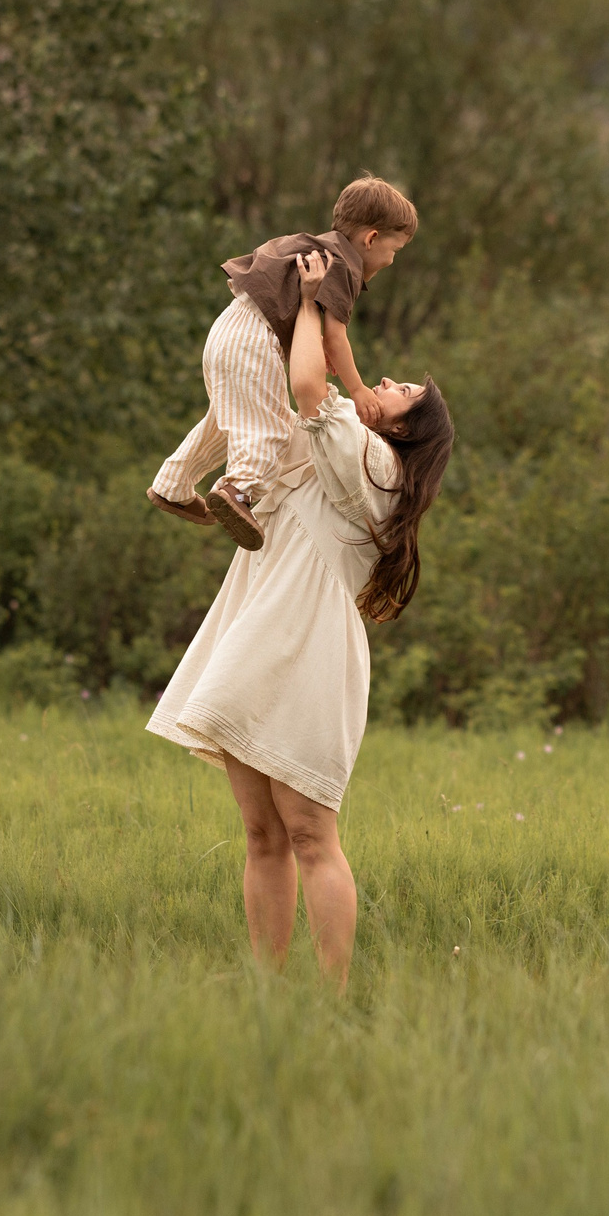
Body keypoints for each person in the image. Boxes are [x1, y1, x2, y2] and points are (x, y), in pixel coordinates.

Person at [148, 249, 457, 988]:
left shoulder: (375, 468)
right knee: (261, 834)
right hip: (260, 635)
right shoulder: (335, 440)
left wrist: (320, 300)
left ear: (409, 430)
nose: (385, 381)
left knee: (312, 835)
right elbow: (264, 406)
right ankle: (268, 990)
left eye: (402, 389)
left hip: (308, 656)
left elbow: (311, 385)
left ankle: (333, 994)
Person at [149, 176, 420, 550]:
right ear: (371, 239)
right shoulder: (342, 266)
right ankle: (239, 490)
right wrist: (357, 390)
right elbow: (337, 334)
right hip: (254, 344)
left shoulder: (313, 246)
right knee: (273, 427)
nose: (392, 259)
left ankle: (172, 485)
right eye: (396, 249)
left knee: (224, 422)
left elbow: (301, 315)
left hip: (229, 331)